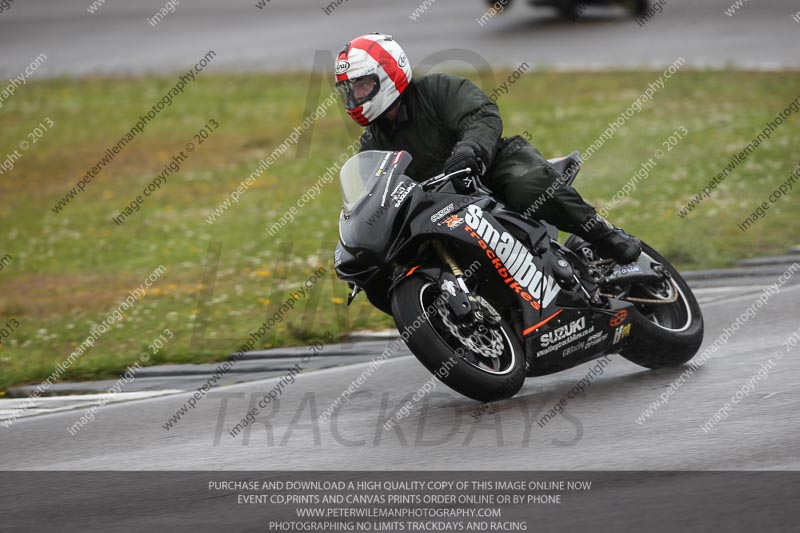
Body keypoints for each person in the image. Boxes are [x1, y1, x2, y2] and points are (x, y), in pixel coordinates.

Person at [334, 33, 641, 264]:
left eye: (362, 85)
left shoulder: (437, 90)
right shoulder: (372, 142)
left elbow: (480, 115)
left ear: (389, 73)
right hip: (445, 209)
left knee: (528, 187)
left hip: (491, 168)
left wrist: (471, 149)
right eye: (350, 90)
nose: (356, 96)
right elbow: (373, 195)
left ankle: (604, 235)